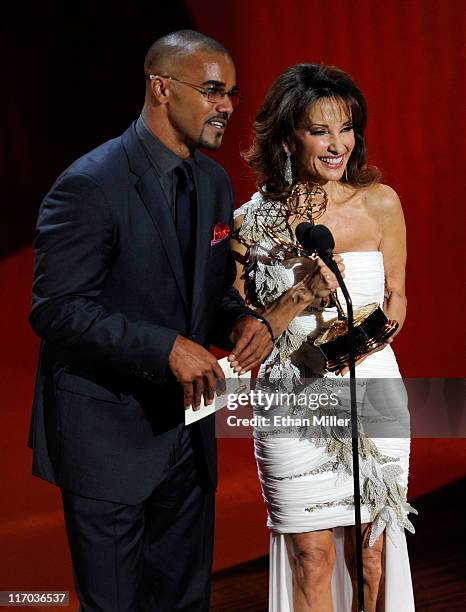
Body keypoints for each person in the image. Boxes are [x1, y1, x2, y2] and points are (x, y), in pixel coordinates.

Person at [28, 30, 281, 612]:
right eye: (214, 91)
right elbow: (56, 309)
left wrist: (241, 320)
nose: (227, 107)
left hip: (188, 441)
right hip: (106, 440)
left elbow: (208, 294)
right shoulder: (90, 185)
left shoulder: (215, 184)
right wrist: (164, 347)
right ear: (161, 88)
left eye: (233, 95)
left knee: (185, 603)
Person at [231, 64, 416, 611]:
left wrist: (337, 351)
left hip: (372, 388)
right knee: (311, 558)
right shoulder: (250, 223)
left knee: (372, 555)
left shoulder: (380, 202)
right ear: (288, 136)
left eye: (347, 128)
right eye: (320, 131)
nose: (338, 145)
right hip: (291, 402)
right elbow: (240, 323)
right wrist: (297, 305)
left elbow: (396, 301)